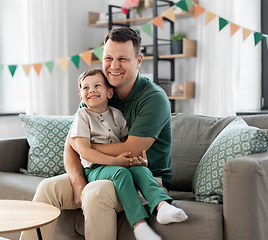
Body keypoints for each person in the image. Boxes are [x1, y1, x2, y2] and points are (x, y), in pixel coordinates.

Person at [20, 26, 186, 240]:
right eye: (108, 58)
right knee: (47, 187)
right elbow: (70, 145)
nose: (114, 66)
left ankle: (154, 211)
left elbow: (130, 150)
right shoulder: (97, 92)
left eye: (123, 59)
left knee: (95, 193)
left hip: (144, 175)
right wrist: (78, 181)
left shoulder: (153, 97)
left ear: (138, 60)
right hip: (98, 171)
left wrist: (85, 147)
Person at [71, 67, 187, 240]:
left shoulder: (117, 115)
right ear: (81, 96)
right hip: (95, 169)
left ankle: (162, 206)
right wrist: (116, 162)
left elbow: (126, 145)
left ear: (110, 93)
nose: (92, 90)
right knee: (121, 173)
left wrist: (139, 161)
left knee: (140, 170)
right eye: (86, 88)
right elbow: (84, 152)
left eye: (97, 86)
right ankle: (139, 226)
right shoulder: (82, 115)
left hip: (117, 163)